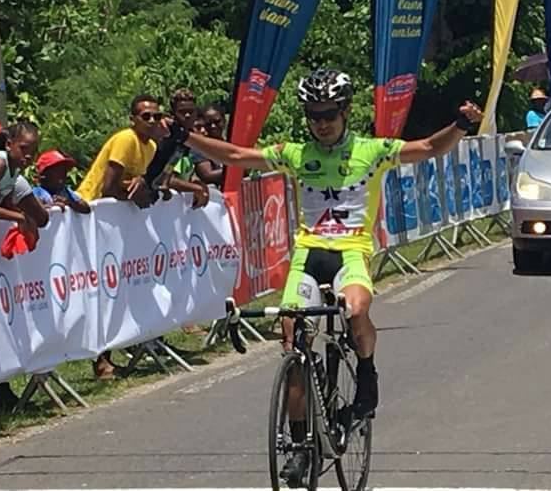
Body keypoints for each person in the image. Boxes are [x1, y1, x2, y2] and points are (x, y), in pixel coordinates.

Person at [148, 68, 482, 484]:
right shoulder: (294, 152)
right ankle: (300, 444)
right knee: (292, 338)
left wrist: (462, 125)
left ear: (345, 111)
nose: (320, 123)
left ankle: (366, 374)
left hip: (351, 251)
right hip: (308, 253)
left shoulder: (372, 150)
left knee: (356, 308)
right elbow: (235, 156)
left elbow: (430, 147)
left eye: (328, 114)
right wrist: (184, 137)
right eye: (312, 115)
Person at [77, 94, 165, 379]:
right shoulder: (126, 139)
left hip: (117, 223)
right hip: (91, 215)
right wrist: (134, 193)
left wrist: (146, 191)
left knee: (123, 286)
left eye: (155, 115)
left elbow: (143, 183)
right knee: (102, 289)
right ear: (133, 119)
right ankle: (100, 360)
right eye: (145, 116)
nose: (151, 120)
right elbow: (109, 185)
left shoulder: (151, 146)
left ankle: (128, 343)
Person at [0, 121, 49, 413]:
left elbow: (8, 201)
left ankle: (3, 390)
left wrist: (25, 214)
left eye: (33, 151)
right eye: (24, 149)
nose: (28, 156)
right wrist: (18, 218)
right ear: (9, 143)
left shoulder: (14, 171)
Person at [192, 104, 227, 186]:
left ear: (224, 121)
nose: (213, 126)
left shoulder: (231, 144)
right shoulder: (200, 147)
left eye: (217, 121)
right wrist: (237, 169)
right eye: (208, 123)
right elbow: (207, 175)